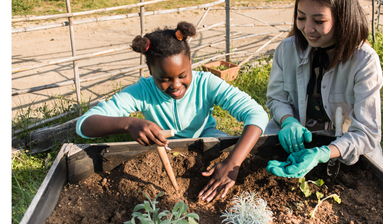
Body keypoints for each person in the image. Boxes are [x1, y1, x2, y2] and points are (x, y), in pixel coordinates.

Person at [76, 21, 269, 201]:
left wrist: (232, 163)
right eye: (165, 79)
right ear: (151, 73)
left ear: (191, 64)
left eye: (183, 75)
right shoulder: (142, 92)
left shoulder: (207, 84)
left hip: (205, 135)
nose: (176, 85)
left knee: (231, 153)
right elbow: (84, 125)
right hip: (164, 147)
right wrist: (130, 123)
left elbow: (257, 115)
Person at [265, 0, 383, 178]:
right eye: (301, 17)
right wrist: (288, 120)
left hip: (346, 147)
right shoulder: (287, 50)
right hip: (295, 143)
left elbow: (367, 132)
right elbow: (276, 98)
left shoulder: (364, 60)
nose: (307, 28)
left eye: (319, 21)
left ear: (342, 18)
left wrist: (324, 153)